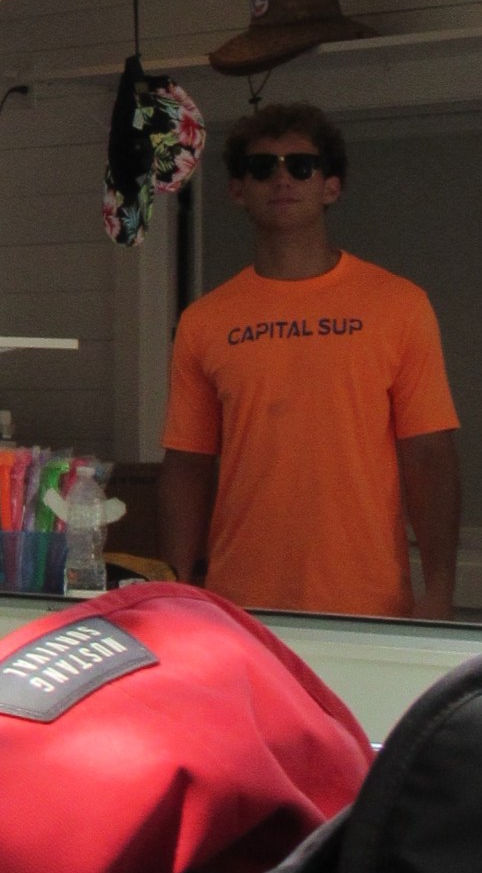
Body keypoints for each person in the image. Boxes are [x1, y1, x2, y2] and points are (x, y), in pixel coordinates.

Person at [158, 103, 461, 620]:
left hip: (369, 603)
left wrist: (439, 591)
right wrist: (175, 587)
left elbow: (429, 456)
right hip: (240, 604)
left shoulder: (398, 305)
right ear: (238, 190)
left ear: (331, 186)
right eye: (261, 167)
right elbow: (187, 464)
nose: (282, 177)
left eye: (301, 165)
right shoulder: (204, 321)